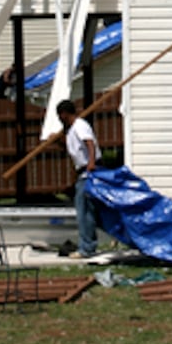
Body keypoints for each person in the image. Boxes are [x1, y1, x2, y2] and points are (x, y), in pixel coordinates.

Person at [56, 99, 102, 258]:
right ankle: (88, 245)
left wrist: (91, 162)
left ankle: (86, 248)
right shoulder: (71, 130)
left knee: (84, 210)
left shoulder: (80, 125)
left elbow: (89, 143)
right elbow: (74, 149)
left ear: (64, 114)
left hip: (88, 172)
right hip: (81, 172)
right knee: (85, 209)